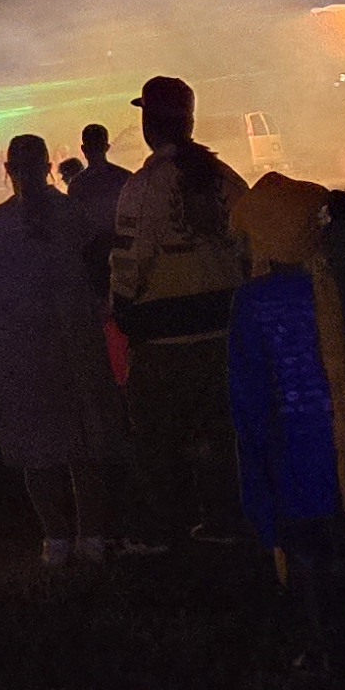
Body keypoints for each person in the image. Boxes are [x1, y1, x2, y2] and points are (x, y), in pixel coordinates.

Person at [227, 170, 345, 664]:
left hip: (293, 460)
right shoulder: (337, 285)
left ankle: (321, 652)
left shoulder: (251, 302)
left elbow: (250, 396)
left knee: (308, 557)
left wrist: (255, 468)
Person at [105, 75, 245, 555]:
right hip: (225, 333)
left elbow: (128, 265)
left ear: (148, 123)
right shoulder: (228, 180)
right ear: (189, 121)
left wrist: (121, 312)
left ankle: (161, 533)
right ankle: (226, 522)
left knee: (156, 442)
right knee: (221, 437)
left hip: (163, 341)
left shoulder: (143, 188)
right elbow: (249, 249)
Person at [0, 134, 118, 564]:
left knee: (36, 449)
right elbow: (102, 282)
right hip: (76, 349)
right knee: (84, 445)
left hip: (22, 355)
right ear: (50, 166)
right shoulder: (74, 216)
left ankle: (55, 538)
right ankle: (91, 537)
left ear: (8, 171)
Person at [59, 122, 132, 273]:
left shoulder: (77, 185)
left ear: (83, 149)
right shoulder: (125, 177)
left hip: (93, 258)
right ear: (107, 147)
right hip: (125, 252)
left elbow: (77, 226)